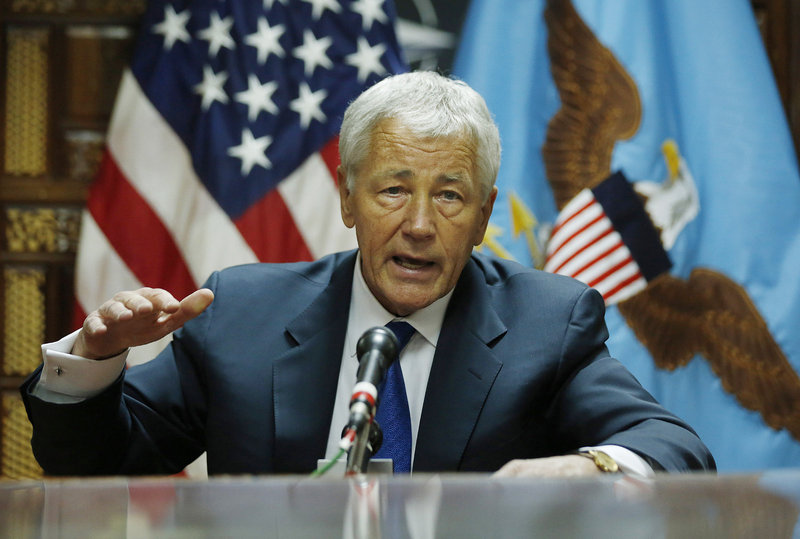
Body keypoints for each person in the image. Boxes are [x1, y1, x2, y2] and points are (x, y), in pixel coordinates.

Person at [21, 71, 714, 477]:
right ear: (347, 198)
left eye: (449, 194)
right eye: (391, 190)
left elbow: (676, 448)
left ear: (482, 216)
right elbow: (93, 459)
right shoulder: (243, 315)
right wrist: (94, 358)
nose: (418, 224)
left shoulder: (547, 323)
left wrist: (587, 467)